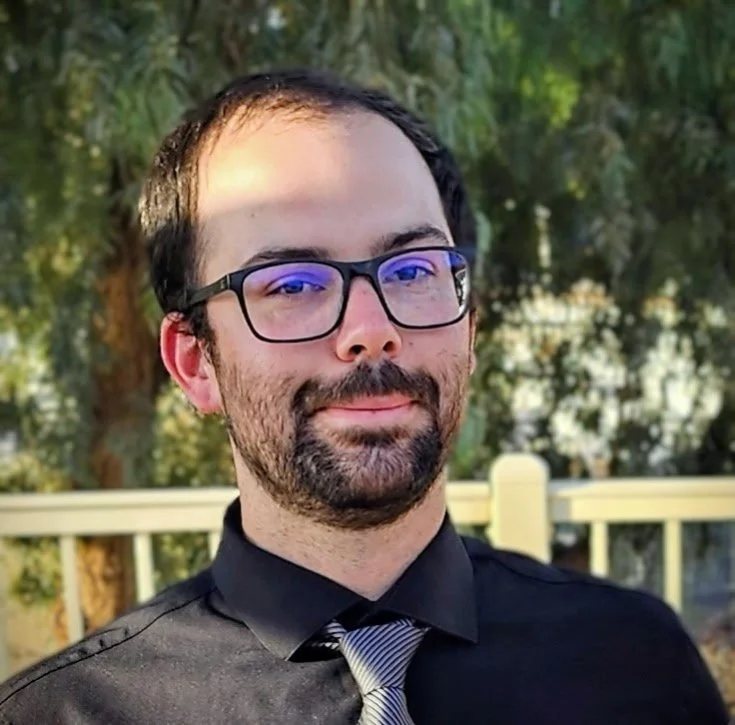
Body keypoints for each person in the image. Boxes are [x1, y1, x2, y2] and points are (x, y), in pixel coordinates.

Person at [0, 69, 728, 725]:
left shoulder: (636, 666)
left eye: (411, 271)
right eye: (291, 284)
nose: (371, 331)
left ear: (470, 327)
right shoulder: (68, 714)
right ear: (195, 362)